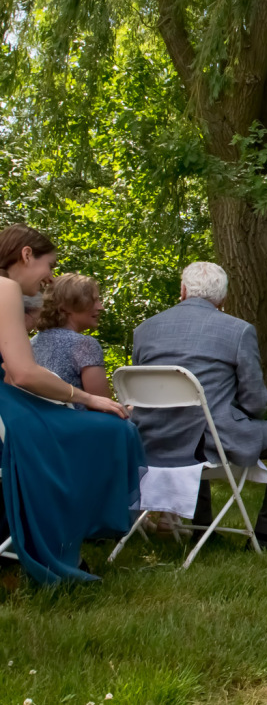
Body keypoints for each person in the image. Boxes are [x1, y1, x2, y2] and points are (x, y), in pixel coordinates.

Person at [0, 224, 145, 584]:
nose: (49, 278)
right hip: (8, 404)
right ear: (26, 254)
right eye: (49, 265)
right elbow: (23, 374)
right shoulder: (5, 289)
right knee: (111, 429)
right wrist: (87, 398)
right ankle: (68, 540)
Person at [132, 262, 267, 550]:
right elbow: (256, 403)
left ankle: (203, 530)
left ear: (183, 290)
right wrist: (239, 413)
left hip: (152, 440)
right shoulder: (237, 330)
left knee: (195, 421)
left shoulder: (144, 330)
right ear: (223, 298)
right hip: (207, 439)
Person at [31, 273, 111, 409]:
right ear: (65, 307)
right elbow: (103, 407)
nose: (100, 307)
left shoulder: (30, 344)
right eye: (93, 301)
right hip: (77, 427)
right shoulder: (84, 345)